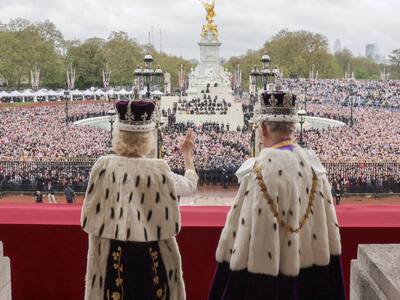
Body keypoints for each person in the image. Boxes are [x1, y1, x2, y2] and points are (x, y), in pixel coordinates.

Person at [208, 86, 345, 300]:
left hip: (270, 282)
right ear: (292, 127)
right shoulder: (314, 166)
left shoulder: (260, 172)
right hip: (311, 279)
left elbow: (247, 240)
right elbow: (329, 236)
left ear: (263, 128)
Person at [81, 99, 198, 300]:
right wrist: (187, 156)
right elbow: (189, 186)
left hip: (112, 255)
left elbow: (89, 214)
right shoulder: (158, 170)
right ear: (148, 138)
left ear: (118, 134)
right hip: (151, 255)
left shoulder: (102, 167)